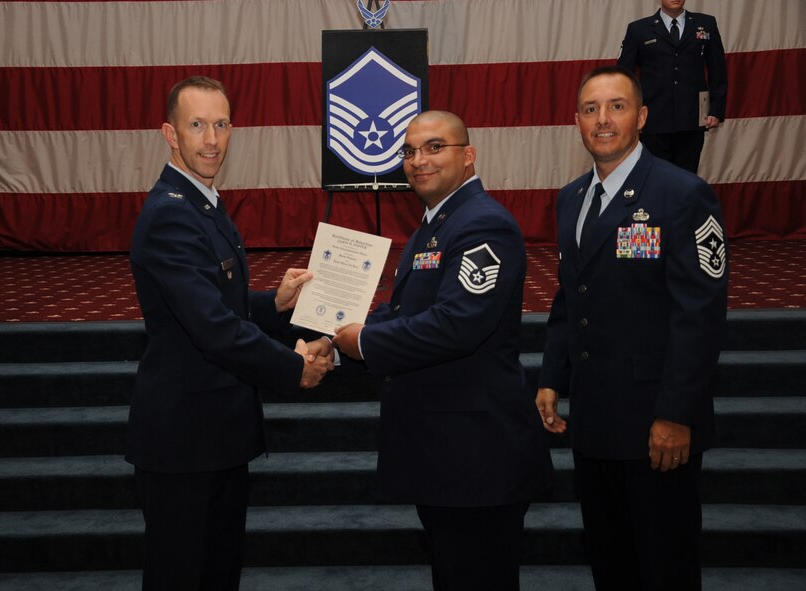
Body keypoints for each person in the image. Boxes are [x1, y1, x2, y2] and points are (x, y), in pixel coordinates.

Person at [332, 110, 553, 591]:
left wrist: (363, 341)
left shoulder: (483, 225)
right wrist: (336, 340)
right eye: (409, 151)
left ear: (468, 156)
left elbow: (457, 325)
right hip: (449, 452)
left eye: (435, 147)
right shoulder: (435, 226)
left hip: (479, 456)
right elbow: (407, 314)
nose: (418, 160)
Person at [127, 76, 333, 591]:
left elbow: (219, 305)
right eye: (197, 125)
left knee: (218, 575)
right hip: (184, 442)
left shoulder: (204, 204)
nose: (212, 139)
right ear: (170, 134)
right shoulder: (172, 215)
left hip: (215, 435)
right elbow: (214, 330)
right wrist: (294, 368)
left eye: (220, 124)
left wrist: (275, 304)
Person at [536, 66, 728, 590]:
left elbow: (700, 317)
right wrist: (554, 375)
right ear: (576, 121)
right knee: (611, 561)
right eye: (591, 109)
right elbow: (571, 294)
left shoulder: (682, 194)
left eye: (617, 106)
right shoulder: (571, 198)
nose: (603, 119)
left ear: (641, 117)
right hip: (595, 420)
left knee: (664, 567)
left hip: (656, 426)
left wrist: (676, 414)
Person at [618, 0, 727, 174]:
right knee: (654, 179)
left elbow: (718, 70)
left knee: (686, 181)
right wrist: (629, 113)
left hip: (691, 119)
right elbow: (623, 77)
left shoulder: (706, 24)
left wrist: (715, 110)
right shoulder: (639, 29)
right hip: (653, 120)